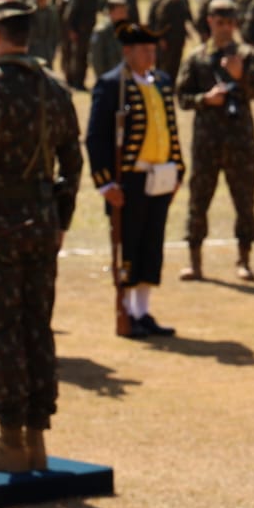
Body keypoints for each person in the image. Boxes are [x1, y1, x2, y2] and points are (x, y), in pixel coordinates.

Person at [0, 0, 82, 473]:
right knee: (36, 329)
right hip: (41, 228)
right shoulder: (53, 87)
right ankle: (36, 439)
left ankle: (10, 441)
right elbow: (73, 159)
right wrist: (61, 219)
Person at [87, 20, 184, 338]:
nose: (149, 55)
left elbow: (170, 128)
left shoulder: (162, 82)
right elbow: (96, 137)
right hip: (129, 180)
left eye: (152, 49)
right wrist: (105, 183)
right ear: (127, 51)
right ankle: (126, 310)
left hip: (161, 177)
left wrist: (178, 169)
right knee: (128, 245)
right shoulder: (111, 84)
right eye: (143, 49)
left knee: (151, 245)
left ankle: (143, 311)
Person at [175, 0, 254, 282]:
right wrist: (206, 99)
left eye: (229, 22)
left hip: (240, 141)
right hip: (207, 142)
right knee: (199, 200)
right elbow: (182, 97)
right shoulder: (196, 56)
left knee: (244, 200)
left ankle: (244, 258)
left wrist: (242, 77)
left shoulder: (249, 55)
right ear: (210, 22)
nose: (225, 28)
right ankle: (195, 260)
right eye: (219, 21)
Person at [88, 0, 130, 84]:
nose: (125, 15)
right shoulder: (101, 31)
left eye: (125, 11)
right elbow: (97, 60)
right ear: (111, 12)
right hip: (108, 79)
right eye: (121, 11)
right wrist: (103, 80)